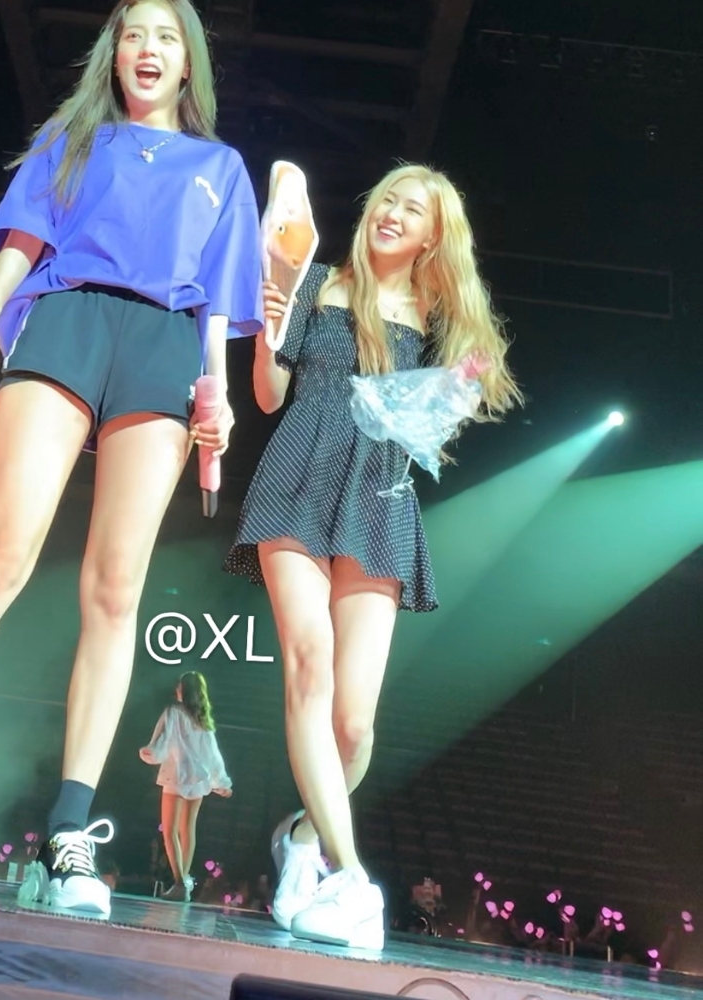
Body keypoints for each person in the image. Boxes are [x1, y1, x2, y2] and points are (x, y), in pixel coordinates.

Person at [0, 0, 261, 918]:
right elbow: (23, 240)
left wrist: (217, 393)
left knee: (116, 592)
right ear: (114, 55)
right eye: (132, 35)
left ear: (188, 62)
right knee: (1, 559)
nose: (148, 49)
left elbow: (216, 299)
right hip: (67, 323)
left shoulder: (220, 166)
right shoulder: (73, 139)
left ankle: (67, 835)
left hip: (162, 346)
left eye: (166, 37)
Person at [227, 164, 520, 950]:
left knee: (352, 724)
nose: (391, 213)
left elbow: (456, 402)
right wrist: (268, 325)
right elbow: (268, 395)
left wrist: (449, 391)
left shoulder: (439, 316)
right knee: (309, 664)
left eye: (411, 210)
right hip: (296, 479)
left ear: (431, 236)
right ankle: (351, 878)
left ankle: (299, 840)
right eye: (387, 199)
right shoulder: (316, 280)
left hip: (377, 496)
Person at [139, 670, 232, 900]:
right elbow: (213, 754)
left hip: (177, 774)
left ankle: (180, 882)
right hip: (198, 778)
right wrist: (221, 781)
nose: (176, 689)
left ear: (185, 689)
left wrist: (150, 753)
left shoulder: (173, 712)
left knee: (170, 831)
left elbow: (162, 741)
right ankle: (183, 882)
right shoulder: (203, 719)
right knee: (188, 830)